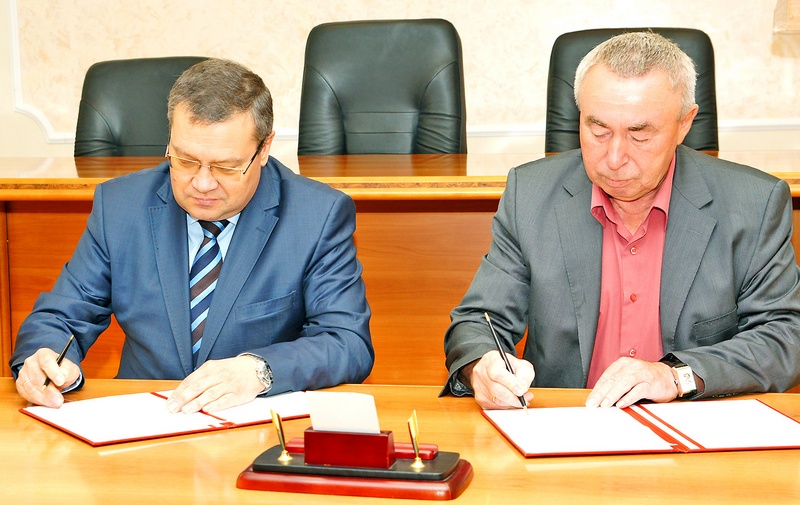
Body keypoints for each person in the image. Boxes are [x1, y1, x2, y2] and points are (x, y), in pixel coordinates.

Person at [442, 32, 800, 410]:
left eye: (639, 135)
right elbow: (478, 321)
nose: (614, 158)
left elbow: (786, 337)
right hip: (565, 424)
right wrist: (482, 366)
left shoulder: (753, 204)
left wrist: (675, 375)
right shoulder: (529, 195)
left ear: (684, 123)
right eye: (598, 130)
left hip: (692, 427)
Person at [11, 58, 373, 412]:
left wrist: (259, 370)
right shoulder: (120, 206)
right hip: (143, 422)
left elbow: (347, 342)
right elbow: (61, 316)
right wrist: (45, 358)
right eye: (185, 160)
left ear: (264, 149)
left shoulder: (316, 216)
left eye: (226, 167)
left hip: (251, 425)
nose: (202, 183)